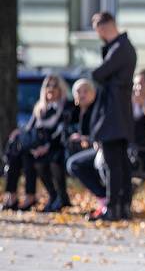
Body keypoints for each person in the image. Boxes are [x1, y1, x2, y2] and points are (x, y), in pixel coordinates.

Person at [90, 11, 136, 221]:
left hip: (113, 116)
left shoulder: (120, 48)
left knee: (113, 163)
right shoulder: (122, 47)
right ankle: (122, 206)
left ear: (106, 26)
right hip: (118, 114)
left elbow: (98, 74)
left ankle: (114, 206)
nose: (98, 35)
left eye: (98, 30)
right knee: (120, 163)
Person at [2, 74, 72, 212]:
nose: (50, 89)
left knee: (30, 157)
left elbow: (61, 132)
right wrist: (20, 132)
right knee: (16, 155)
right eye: (48, 86)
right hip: (35, 146)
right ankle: (12, 195)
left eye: (54, 86)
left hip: (54, 146)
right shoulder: (40, 108)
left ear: (61, 89)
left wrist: (46, 146)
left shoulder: (65, 107)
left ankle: (32, 196)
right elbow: (29, 129)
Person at [65, 79, 106, 219]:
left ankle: (104, 198)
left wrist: (86, 139)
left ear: (93, 93)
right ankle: (59, 198)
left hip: (98, 148)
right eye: (78, 91)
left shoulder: (98, 109)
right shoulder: (73, 111)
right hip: (77, 149)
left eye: (86, 91)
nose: (82, 95)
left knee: (74, 164)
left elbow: (98, 135)